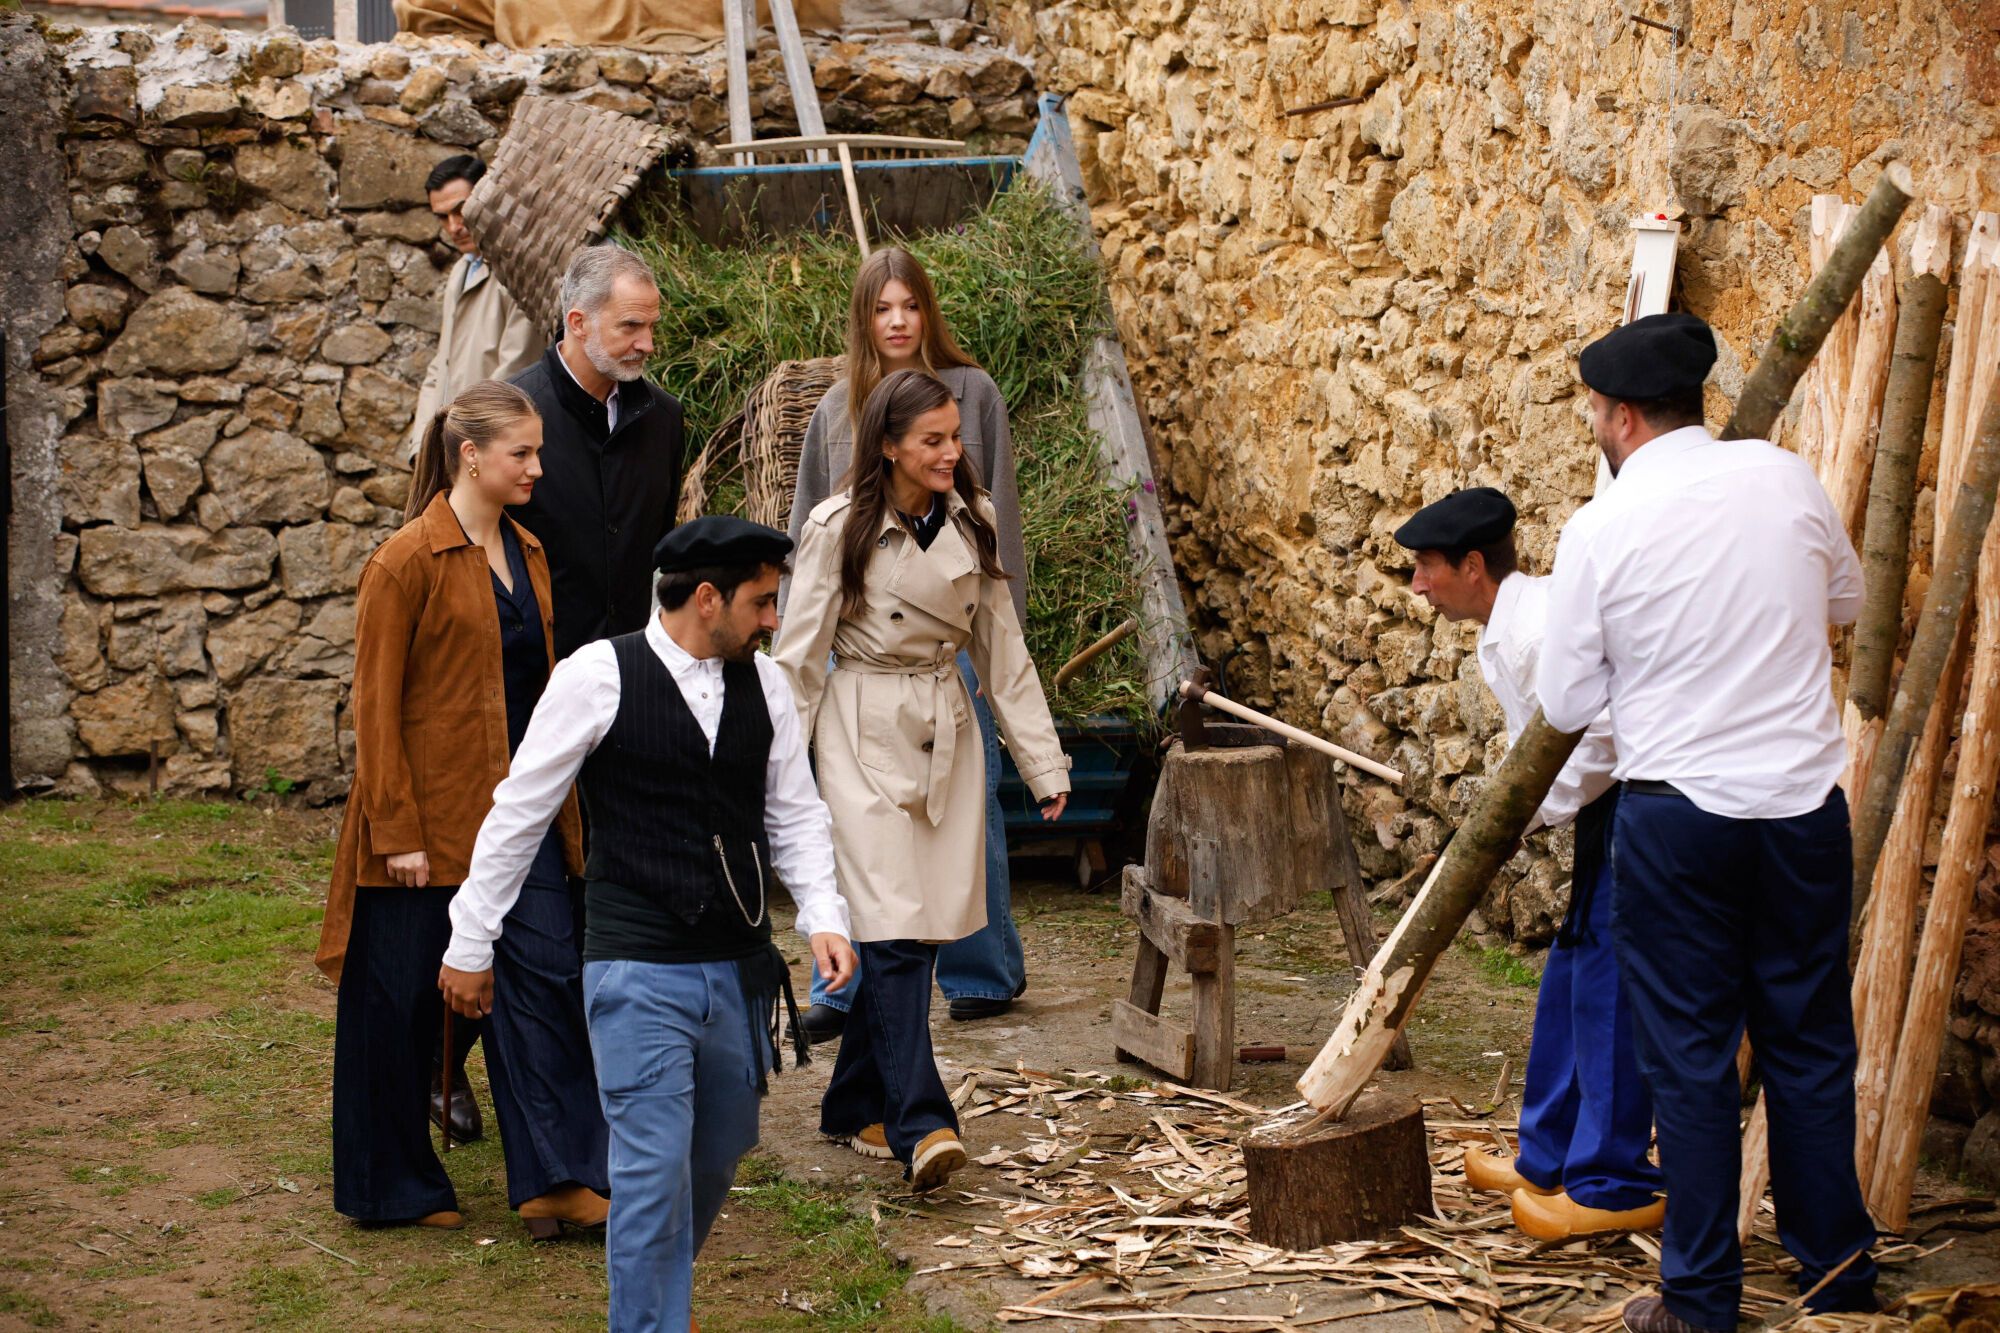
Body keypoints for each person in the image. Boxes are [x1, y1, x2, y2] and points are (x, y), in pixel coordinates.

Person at [1536, 313, 1877, 1333]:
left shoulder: (1599, 527)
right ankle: (1836, 1271)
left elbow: (1561, 702)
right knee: (1809, 1043)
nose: (1595, 424)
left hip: (1677, 817)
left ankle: (1695, 1298)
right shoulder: (1783, 477)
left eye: (1596, 410)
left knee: (1685, 1056)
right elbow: (1849, 601)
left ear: (1624, 416)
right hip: (1801, 808)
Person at [440, 515, 858, 1332]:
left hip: (736, 966)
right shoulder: (597, 676)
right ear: (707, 599)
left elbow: (796, 814)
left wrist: (824, 918)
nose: (774, 620)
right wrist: (470, 937)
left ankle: (660, 1289)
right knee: (651, 1164)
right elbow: (520, 812)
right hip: (634, 965)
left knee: (723, 1144)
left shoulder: (767, 685)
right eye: (762, 602)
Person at [318, 380, 609, 1238]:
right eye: (522, 453)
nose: (537, 467)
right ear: (470, 455)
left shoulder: (530, 551)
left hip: (521, 817)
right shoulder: (404, 561)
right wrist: (395, 830)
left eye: (538, 451)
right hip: (425, 825)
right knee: (402, 1008)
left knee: (549, 979)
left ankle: (556, 1179)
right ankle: (391, 1185)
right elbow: (374, 708)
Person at [773, 369, 1071, 1189]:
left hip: (947, 724)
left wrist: (1042, 761)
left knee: (925, 923)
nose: (950, 452)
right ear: (889, 446)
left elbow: (1002, 650)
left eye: (954, 438)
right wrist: (776, 778)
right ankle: (922, 1119)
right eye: (932, 440)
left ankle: (850, 1102)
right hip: (860, 729)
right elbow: (797, 662)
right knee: (894, 929)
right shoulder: (837, 528)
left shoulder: (971, 522)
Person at [1395, 486, 1662, 1241]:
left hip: (1639, 795)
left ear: (1473, 565)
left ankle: (1611, 1179)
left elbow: (1605, 737)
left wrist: (1528, 809)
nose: (1416, 585)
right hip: (1595, 805)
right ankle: (1548, 1156)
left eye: (1426, 567)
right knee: (1574, 963)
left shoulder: (1539, 628)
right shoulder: (1501, 629)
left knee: (1609, 975)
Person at [783, 247, 1032, 1039]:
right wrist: (803, 639)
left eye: (910, 305)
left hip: (951, 628)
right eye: (881, 308)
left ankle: (978, 969)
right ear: (863, 320)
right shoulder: (836, 409)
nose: (897, 321)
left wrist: (1000, 642)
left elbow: (999, 526)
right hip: (861, 636)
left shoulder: (973, 394)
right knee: (858, 817)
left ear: (929, 312)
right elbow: (806, 527)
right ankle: (847, 980)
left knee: (969, 802)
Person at [510, 242, 685, 661]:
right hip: (537, 674)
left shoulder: (663, 418)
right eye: (630, 326)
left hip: (633, 671)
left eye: (651, 326)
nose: (648, 344)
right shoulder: (512, 414)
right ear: (578, 322)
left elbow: (658, 550)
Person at [406, 156, 543, 461]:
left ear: (485, 198)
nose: (454, 226)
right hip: (454, 452)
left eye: (461, 210)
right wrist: (422, 450)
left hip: (491, 453)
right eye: (442, 217)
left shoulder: (520, 272)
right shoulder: (460, 271)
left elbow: (515, 371)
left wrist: (460, 453)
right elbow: (440, 367)